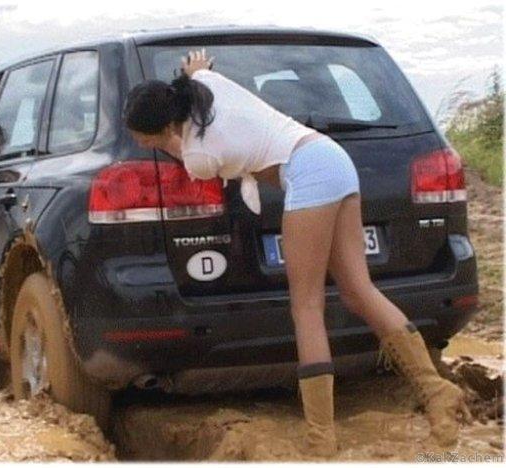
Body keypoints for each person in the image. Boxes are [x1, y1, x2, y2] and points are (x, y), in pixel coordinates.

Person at [123, 49, 470, 457]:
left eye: (140, 136)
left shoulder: (199, 156)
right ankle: (436, 392)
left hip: (308, 175)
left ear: (165, 126)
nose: (137, 142)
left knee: (306, 307)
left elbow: (186, 154)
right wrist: (193, 72)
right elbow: (197, 73)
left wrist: (165, 141)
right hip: (333, 157)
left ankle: (321, 439)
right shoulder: (205, 86)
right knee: (359, 291)